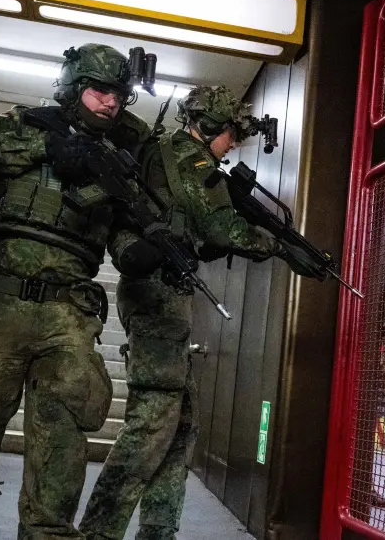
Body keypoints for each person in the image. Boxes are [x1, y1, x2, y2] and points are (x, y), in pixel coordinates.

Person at [0, 43, 163, 540]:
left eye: (118, 95)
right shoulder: (23, 126)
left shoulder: (116, 163)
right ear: (73, 88)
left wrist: (138, 249)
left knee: (63, 443)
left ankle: (48, 533)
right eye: (99, 91)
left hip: (68, 312)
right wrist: (47, 148)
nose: (110, 103)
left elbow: (118, 228)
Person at [81, 86, 300, 540]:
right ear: (213, 126)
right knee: (153, 423)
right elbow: (222, 230)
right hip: (158, 294)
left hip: (164, 293)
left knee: (180, 422)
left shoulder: (170, 158)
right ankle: (98, 531)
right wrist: (279, 245)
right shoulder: (192, 162)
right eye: (231, 135)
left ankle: (158, 530)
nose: (233, 144)